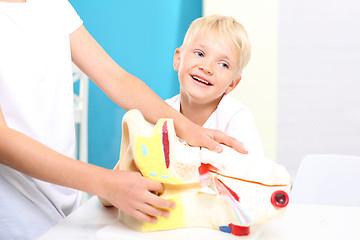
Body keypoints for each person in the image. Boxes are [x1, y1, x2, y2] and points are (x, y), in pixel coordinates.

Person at [0, 1, 246, 239]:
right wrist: (105, 184)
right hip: (16, 215)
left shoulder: (53, 5)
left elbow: (114, 77)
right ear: (178, 58)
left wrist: (186, 128)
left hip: (67, 208)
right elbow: (3, 140)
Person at [166, 14, 264, 158]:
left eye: (223, 64)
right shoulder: (160, 113)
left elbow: (253, 171)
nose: (207, 68)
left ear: (232, 84)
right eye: (200, 54)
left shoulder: (236, 118)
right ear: (178, 59)